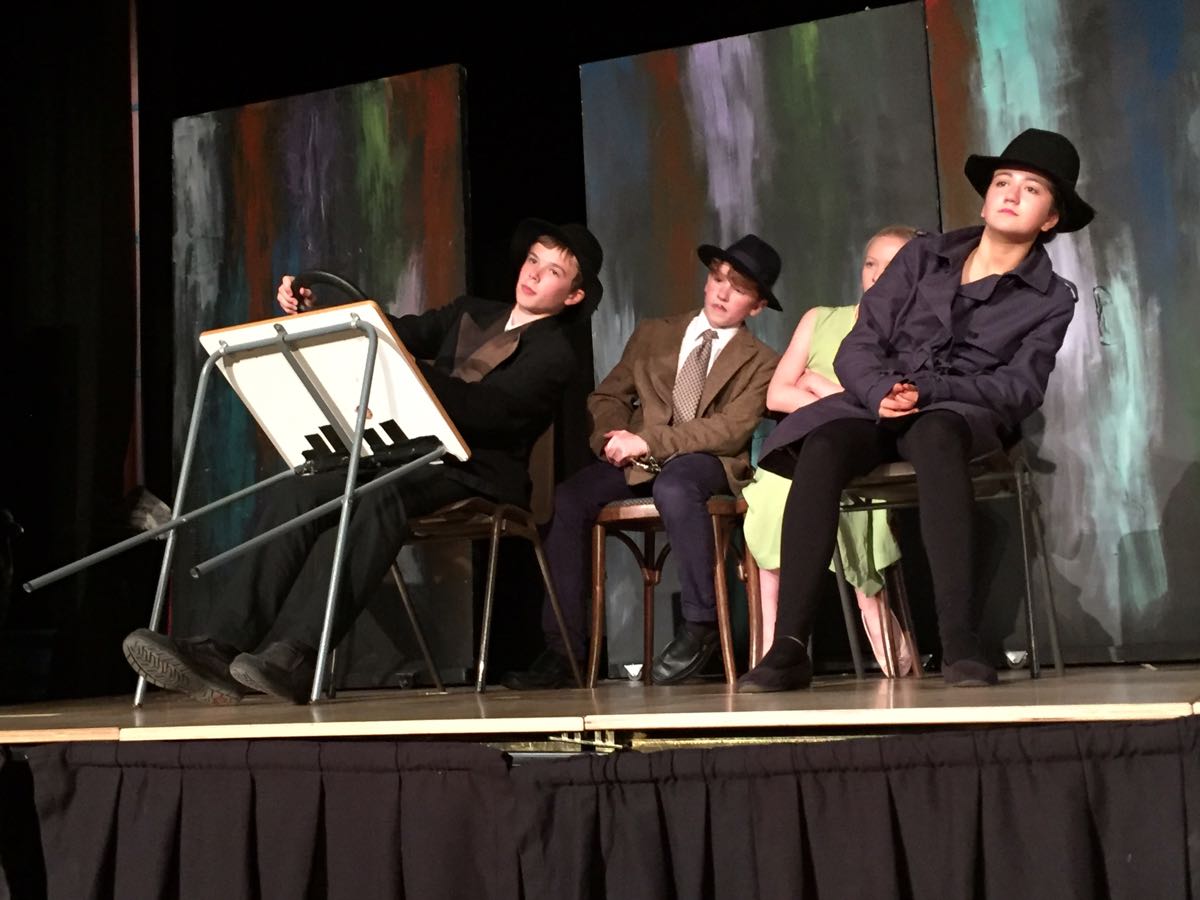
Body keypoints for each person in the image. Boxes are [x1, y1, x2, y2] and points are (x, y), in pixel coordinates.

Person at [123, 218, 604, 703]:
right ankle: (218, 646)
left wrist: (410, 371)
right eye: (533, 260)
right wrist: (318, 311)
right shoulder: (471, 312)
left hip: (474, 472)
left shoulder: (555, 352)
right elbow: (391, 332)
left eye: (553, 271)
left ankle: (298, 656)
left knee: (380, 497)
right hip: (409, 454)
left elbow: (493, 412)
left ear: (573, 296)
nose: (533, 274)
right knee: (302, 487)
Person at [738, 128, 1093, 692]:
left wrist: (926, 392)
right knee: (824, 443)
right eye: (1002, 182)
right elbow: (860, 342)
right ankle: (790, 646)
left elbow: (1019, 388)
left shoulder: (1051, 297)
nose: (1010, 193)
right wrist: (880, 389)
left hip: (958, 410)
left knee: (936, 436)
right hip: (879, 399)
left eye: (1031, 189)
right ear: (985, 199)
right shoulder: (924, 256)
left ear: (1050, 218)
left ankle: (960, 641)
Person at [503, 234, 781, 689]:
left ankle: (701, 623)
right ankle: (565, 650)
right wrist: (614, 437)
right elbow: (608, 396)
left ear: (757, 306)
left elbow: (729, 430)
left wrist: (646, 442)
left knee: (676, 484)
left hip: (703, 462)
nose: (722, 293)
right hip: (637, 461)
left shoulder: (762, 361)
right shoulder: (655, 333)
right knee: (568, 500)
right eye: (718, 279)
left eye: (739, 288)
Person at [741, 225, 917, 675]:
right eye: (871, 263)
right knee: (773, 496)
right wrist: (839, 399)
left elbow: (886, 406)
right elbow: (778, 394)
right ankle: (775, 649)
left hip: (860, 451)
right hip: (800, 446)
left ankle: (882, 630)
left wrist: (818, 387)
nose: (876, 274)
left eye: (891, 266)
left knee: (841, 492)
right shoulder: (820, 319)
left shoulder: (912, 334)